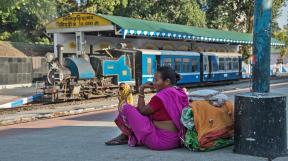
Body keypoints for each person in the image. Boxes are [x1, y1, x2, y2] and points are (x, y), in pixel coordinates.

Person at [105, 66, 189, 150]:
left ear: (167, 81)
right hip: (176, 140)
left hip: (160, 141)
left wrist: (141, 89)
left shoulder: (161, 96)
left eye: (156, 80)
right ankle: (125, 135)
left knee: (126, 107)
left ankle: (127, 135)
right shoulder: (180, 92)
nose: (154, 83)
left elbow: (142, 111)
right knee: (139, 111)